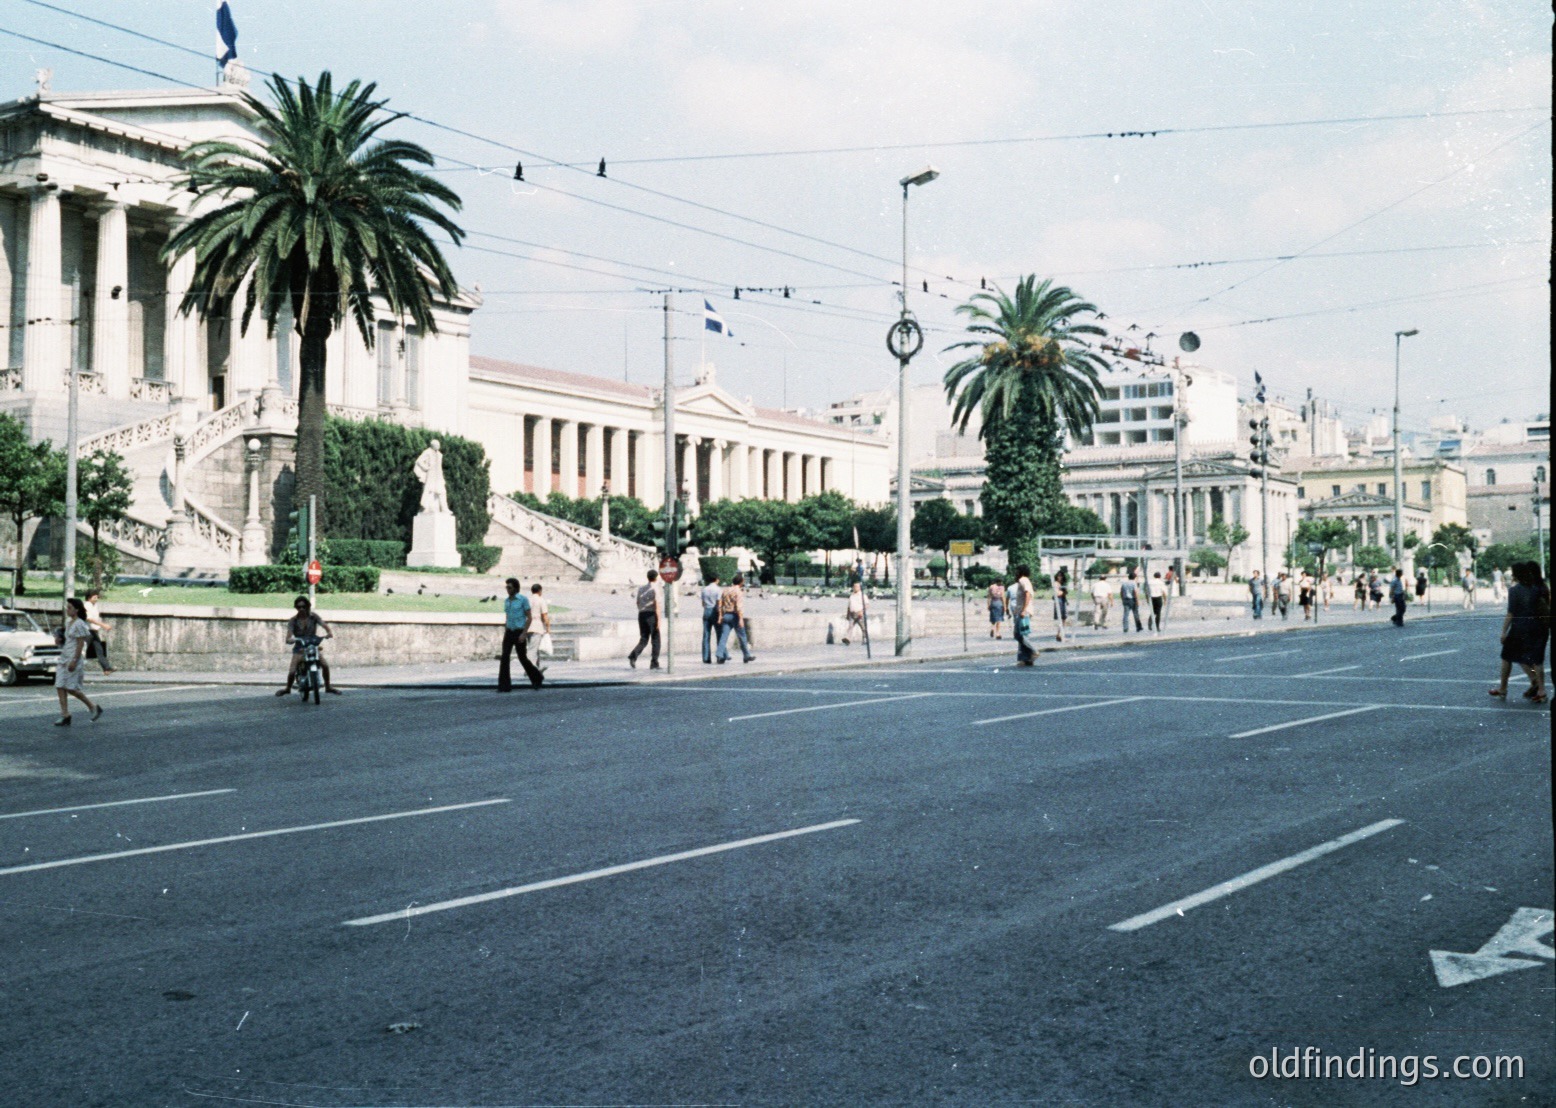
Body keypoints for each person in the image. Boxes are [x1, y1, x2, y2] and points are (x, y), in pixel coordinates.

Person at [1489, 561, 1549, 704]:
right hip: (1537, 628)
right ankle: (1541, 691)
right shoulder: (1537, 589)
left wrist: (1503, 632)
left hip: (1519, 629)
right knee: (1536, 660)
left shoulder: (1514, 590)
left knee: (1506, 657)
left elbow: (1510, 613)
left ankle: (1503, 688)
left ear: (1516, 575)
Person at [52, 597, 102, 726]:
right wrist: (59, 640)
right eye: (67, 607)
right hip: (64, 657)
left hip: (73, 658)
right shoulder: (69, 622)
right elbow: (68, 640)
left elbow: (80, 644)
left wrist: (74, 660)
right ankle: (65, 714)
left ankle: (93, 707)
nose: (67, 610)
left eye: (69, 608)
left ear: (77, 610)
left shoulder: (80, 623)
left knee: (71, 688)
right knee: (60, 685)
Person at [276, 596, 340, 695]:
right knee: (292, 671)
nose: (301, 609)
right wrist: (290, 639)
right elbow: (289, 634)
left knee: (325, 665)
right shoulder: (293, 620)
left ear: (308, 606)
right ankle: (288, 688)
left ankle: (328, 686)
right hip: (300, 648)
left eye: (303, 606)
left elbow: (323, 624)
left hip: (312, 646)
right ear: (296, 608)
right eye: (299, 607)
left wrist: (329, 632)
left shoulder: (313, 617)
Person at [497, 577, 543, 691]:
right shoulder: (507, 601)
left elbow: (529, 617)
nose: (507, 589)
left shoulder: (523, 600)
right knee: (504, 657)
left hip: (519, 631)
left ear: (516, 588)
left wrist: (524, 633)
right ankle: (504, 685)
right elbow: (507, 616)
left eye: (509, 587)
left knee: (522, 657)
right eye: (506, 587)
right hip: (509, 631)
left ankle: (536, 677)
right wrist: (506, 627)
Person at [715, 572, 755, 663]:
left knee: (723, 637)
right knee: (742, 636)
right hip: (735, 616)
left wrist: (720, 616)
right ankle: (746, 655)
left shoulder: (725, 590)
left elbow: (720, 604)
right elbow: (738, 606)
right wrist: (740, 619)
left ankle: (719, 654)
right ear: (741, 582)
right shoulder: (738, 592)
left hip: (726, 615)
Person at [627, 569, 662, 669]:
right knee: (656, 640)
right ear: (656, 578)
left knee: (644, 638)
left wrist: (642, 609)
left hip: (642, 614)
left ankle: (633, 656)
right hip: (652, 614)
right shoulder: (656, 589)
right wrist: (658, 620)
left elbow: (637, 602)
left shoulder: (641, 589)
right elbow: (657, 605)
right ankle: (654, 662)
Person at [81, 587, 115, 675]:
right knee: (82, 650)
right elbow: (89, 619)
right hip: (87, 631)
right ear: (89, 597)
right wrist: (103, 625)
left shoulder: (94, 605)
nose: (97, 598)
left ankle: (106, 668)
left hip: (94, 631)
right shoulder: (86, 605)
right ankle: (73, 667)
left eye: (97, 596)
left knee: (99, 650)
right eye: (94, 596)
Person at [1009, 566, 1036, 665]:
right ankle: (1026, 659)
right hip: (1021, 611)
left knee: (1019, 634)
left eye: (1017, 571)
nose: (1015, 573)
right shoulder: (1026, 580)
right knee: (1023, 634)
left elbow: (1028, 594)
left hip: (1023, 612)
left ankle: (1033, 651)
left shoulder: (1023, 580)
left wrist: (1024, 610)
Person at [700, 571, 723, 663]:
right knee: (719, 634)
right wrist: (720, 615)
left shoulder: (704, 589)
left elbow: (702, 603)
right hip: (715, 611)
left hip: (706, 611)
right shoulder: (718, 589)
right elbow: (719, 603)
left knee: (706, 635)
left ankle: (706, 657)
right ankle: (720, 656)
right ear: (717, 579)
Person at [1119, 569, 1143, 633]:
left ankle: (1125, 628)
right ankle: (1138, 627)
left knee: (1126, 614)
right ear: (1134, 577)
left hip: (1125, 600)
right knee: (1136, 614)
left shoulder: (1124, 583)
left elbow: (1121, 592)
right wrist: (1137, 600)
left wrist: (1122, 599)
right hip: (1133, 600)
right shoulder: (1134, 583)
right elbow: (1135, 592)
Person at [1052, 565, 1069, 643]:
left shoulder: (1062, 584)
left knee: (1063, 618)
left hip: (1062, 600)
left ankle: (1059, 634)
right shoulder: (1056, 584)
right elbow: (1057, 593)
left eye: (1061, 576)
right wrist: (1063, 592)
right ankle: (1060, 634)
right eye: (1059, 576)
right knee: (1061, 618)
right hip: (1059, 601)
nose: (1060, 577)